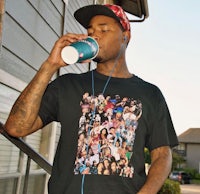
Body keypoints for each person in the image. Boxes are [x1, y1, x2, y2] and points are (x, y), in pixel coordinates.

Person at [4, 4, 178, 194]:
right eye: (90, 31)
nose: (94, 35)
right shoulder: (67, 85)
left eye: (104, 29)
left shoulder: (150, 94)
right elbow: (15, 128)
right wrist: (50, 65)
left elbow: (162, 154)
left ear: (125, 36)